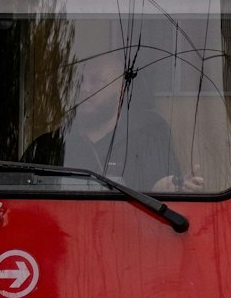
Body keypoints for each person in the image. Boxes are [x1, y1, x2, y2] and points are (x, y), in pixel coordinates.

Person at [23, 38, 205, 194]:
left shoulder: (148, 140)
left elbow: (162, 197)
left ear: (121, 90)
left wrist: (166, 191)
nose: (84, 88)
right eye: (79, 81)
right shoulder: (45, 147)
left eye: (97, 81)